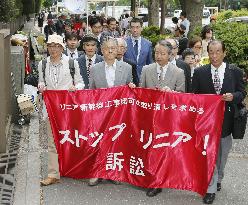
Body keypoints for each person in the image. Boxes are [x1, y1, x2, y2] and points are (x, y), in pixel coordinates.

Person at [192, 40, 246, 204]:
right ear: (207, 53)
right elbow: (194, 96)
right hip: (207, 121)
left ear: (224, 52)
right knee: (210, 155)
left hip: (227, 121)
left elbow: (242, 92)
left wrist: (233, 97)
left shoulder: (234, 71)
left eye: (217, 52)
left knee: (222, 154)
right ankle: (211, 188)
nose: (214, 56)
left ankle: (219, 177)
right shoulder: (200, 72)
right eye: (211, 52)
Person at [38, 34, 84, 186]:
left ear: (62, 47)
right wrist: (41, 86)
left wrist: (74, 88)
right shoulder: (42, 64)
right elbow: (41, 82)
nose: (53, 49)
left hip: (68, 109)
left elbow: (80, 83)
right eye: (51, 46)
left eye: (57, 46)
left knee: (71, 139)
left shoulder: (71, 63)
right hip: (50, 109)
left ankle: (73, 169)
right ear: (47, 47)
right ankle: (53, 173)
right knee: (52, 142)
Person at [88, 38, 135, 186]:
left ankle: (113, 172)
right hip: (100, 112)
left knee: (116, 142)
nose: (110, 51)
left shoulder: (127, 68)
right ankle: (96, 172)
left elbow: (130, 87)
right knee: (98, 142)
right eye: (107, 48)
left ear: (118, 50)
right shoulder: (95, 68)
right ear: (101, 51)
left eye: (113, 48)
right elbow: (91, 91)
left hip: (119, 113)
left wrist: (132, 87)